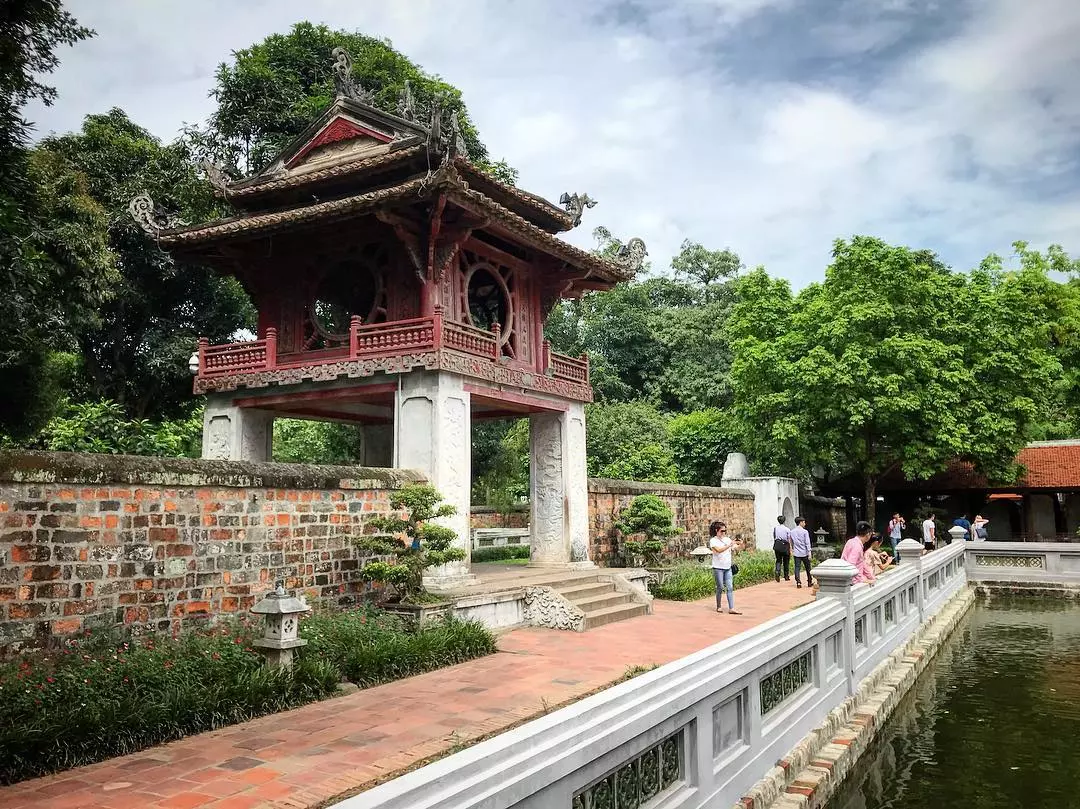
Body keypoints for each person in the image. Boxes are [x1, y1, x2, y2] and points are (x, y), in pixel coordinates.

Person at [709, 520, 743, 614]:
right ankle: (719, 606)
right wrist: (729, 545)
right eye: (722, 531)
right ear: (717, 530)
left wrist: (740, 544)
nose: (723, 533)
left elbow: (735, 548)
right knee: (720, 587)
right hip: (718, 568)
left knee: (730, 587)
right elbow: (718, 550)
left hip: (727, 567)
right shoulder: (713, 541)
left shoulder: (727, 540)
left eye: (725, 531)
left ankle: (731, 608)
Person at [790, 516, 814, 589]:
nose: (805, 523)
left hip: (796, 553)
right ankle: (809, 581)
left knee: (797, 567)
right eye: (803, 522)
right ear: (800, 522)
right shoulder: (805, 532)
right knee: (808, 568)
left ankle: (798, 582)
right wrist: (809, 552)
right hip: (804, 552)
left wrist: (792, 550)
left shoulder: (792, 531)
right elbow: (807, 543)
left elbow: (791, 542)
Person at [773, 515, 792, 583]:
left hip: (777, 545)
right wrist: (790, 548)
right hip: (785, 545)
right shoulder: (787, 529)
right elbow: (789, 539)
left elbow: (774, 536)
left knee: (778, 560)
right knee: (786, 561)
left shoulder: (775, 528)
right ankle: (786, 576)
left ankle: (777, 571)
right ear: (784, 521)